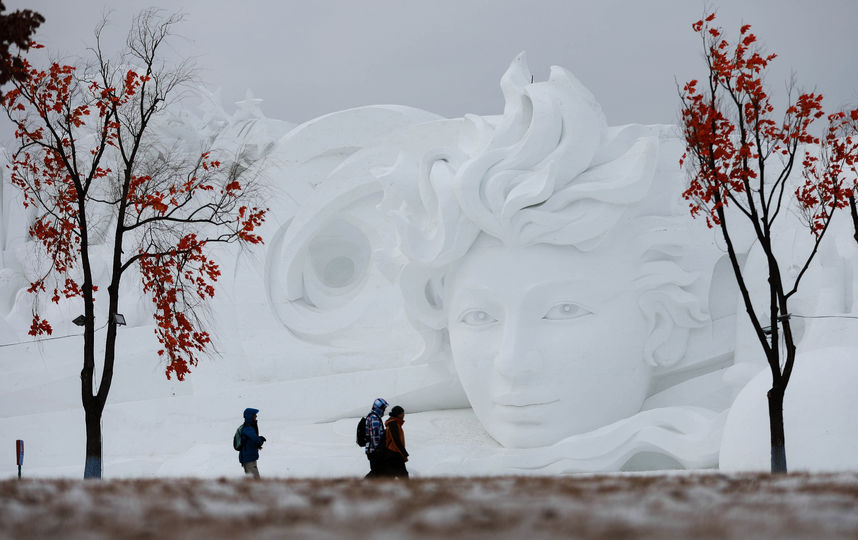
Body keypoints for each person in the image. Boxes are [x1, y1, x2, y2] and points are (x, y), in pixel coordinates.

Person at [238, 407, 266, 478]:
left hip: (249, 457)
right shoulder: (248, 428)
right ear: (250, 416)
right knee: (256, 481)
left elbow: (250, 440)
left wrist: (257, 445)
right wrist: (261, 439)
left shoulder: (248, 427)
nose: (256, 416)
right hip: (248, 459)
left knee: (252, 481)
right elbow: (256, 439)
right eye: (255, 415)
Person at [364, 397, 388, 478]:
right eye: (383, 408)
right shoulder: (375, 419)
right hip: (375, 452)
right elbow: (376, 437)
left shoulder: (371, 416)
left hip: (371, 451)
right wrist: (380, 451)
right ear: (379, 408)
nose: (384, 411)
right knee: (376, 473)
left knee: (377, 472)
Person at [384, 405, 409, 478]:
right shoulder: (393, 424)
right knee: (403, 475)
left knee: (392, 475)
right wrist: (403, 453)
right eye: (402, 413)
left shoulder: (395, 423)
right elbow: (396, 440)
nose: (403, 415)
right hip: (395, 453)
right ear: (398, 414)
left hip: (393, 453)